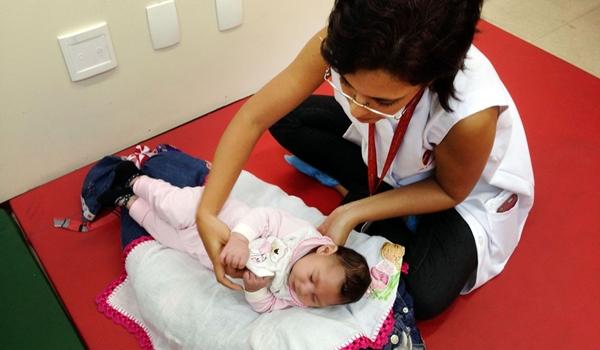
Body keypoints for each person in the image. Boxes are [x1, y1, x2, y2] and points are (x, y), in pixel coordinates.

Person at [195, 0, 534, 320]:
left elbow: (449, 190)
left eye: (382, 101)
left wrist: (351, 212)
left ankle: (373, 201)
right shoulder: (344, 44)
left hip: (458, 194)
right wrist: (207, 211)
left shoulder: (471, 114)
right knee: (286, 118)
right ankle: (377, 192)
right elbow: (254, 117)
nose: (357, 110)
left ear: (429, 79)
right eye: (348, 86)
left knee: (422, 295)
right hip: (384, 151)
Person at [99, 160, 372, 313]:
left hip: (205, 251)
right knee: (172, 205)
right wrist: (240, 238)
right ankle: (135, 180)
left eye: (314, 299)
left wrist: (256, 291)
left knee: (163, 232)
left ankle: (127, 201)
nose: (304, 288)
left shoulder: (291, 295)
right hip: (218, 216)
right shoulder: (300, 236)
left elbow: (267, 306)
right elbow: (265, 217)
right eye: (312, 279)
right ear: (324, 251)